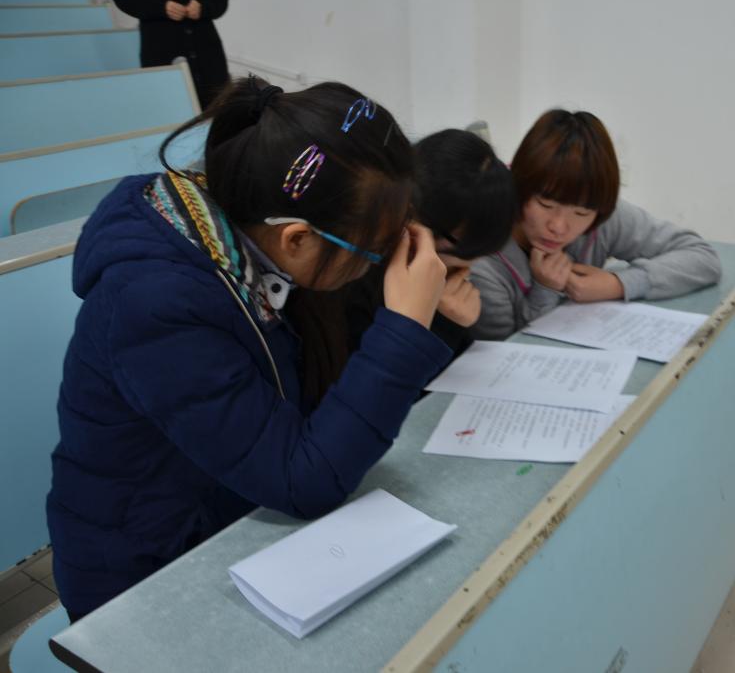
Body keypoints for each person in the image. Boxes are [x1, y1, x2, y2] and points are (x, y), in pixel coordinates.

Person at [46, 77, 450, 621]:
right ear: (297, 238)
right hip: (143, 575)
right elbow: (304, 481)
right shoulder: (157, 306)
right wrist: (405, 326)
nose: (379, 263)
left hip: (239, 519)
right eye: (376, 250)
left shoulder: (262, 245)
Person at [469, 109, 723, 341]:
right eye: (545, 205)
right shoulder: (481, 257)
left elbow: (702, 257)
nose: (558, 227)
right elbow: (497, 353)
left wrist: (617, 284)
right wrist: (545, 290)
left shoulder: (602, 216)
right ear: (518, 184)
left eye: (581, 213)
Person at [340, 128, 518, 359]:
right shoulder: (358, 279)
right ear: (419, 228)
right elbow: (382, 376)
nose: (467, 270)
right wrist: (445, 322)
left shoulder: (442, 275)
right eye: (461, 257)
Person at [112, 0, 231, 108]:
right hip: (160, 51)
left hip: (206, 51)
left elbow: (219, 0)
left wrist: (203, 5)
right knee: (169, 108)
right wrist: (161, 7)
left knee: (219, 108)